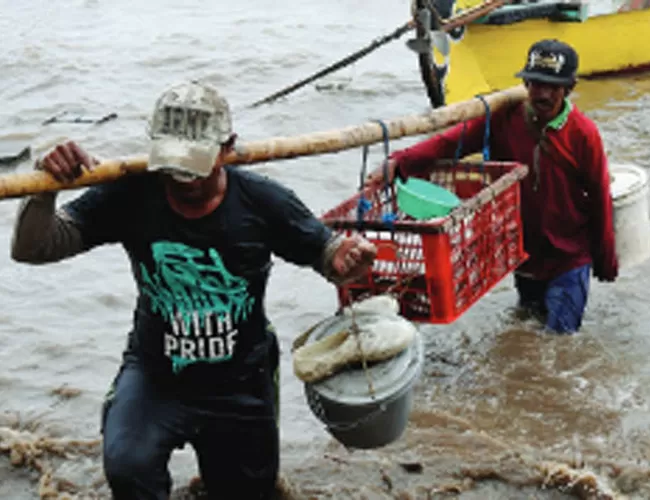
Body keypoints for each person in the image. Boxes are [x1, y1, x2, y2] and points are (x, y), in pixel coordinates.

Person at [10, 80, 377, 499]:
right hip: (156, 374)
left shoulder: (263, 202)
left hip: (241, 378)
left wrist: (346, 259)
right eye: (171, 164)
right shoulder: (130, 193)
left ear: (227, 147)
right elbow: (34, 249)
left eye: (195, 164)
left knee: (245, 491)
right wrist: (45, 189)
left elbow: (328, 256)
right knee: (129, 468)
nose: (182, 179)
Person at [367, 39, 618, 334]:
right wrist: (401, 161)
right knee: (528, 327)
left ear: (569, 88)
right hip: (524, 254)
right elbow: (451, 142)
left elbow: (601, 196)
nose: (543, 93)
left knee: (560, 340)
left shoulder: (583, 134)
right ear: (525, 82)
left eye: (553, 86)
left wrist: (605, 259)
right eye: (536, 84)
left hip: (569, 256)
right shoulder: (505, 119)